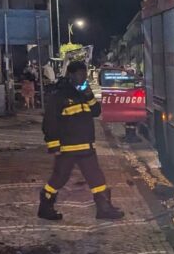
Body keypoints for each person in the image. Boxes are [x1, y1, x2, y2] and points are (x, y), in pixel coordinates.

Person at [39, 60, 124, 220]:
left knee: (97, 178)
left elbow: (96, 111)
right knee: (59, 178)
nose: (83, 77)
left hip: (86, 146)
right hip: (68, 148)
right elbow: (50, 122)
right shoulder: (59, 95)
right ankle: (45, 206)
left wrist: (89, 94)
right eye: (80, 74)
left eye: (84, 74)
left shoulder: (82, 93)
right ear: (70, 75)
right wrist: (54, 146)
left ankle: (104, 208)